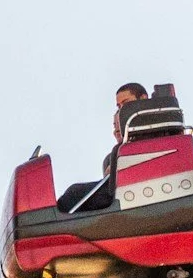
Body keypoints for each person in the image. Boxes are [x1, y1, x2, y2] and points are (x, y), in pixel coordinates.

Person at [58, 82, 148, 212]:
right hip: (123, 185)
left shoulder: (150, 123)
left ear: (143, 99)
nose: (122, 109)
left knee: (74, 193)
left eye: (126, 102)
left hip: (131, 186)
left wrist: (117, 166)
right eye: (119, 106)